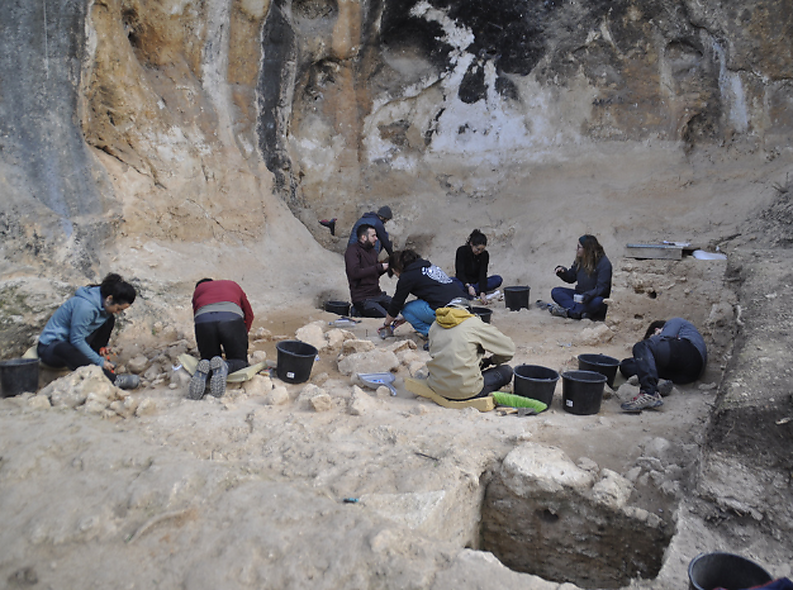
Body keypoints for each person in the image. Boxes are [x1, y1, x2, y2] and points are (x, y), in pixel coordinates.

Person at [37, 273, 140, 389]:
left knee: (108, 320)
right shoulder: (86, 307)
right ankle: (113, 379)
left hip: (71, 341)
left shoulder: (103, 304)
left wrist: (103, 345)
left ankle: (94, 360)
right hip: (51, 348)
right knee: (65, 349)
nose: (118, 312)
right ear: (109, 299)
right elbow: (76, 339)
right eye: (118, 309)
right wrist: (99, 362)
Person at [619, 318, 708, 412]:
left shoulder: (675, 322)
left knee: (641, 346)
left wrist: (654, 339)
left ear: (656, 330)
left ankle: (649, 393)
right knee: (627, 365)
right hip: (685, 375)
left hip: (690, 354)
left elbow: (666, 337)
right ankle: (658, 384)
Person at [427, 306, 515, 400]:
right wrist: (492, 361)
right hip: (468, 391)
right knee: (506, 371)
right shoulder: (473, 323)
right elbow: (509, 350)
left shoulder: (435, 324)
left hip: (438, 387)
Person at [189, 278, 254, 400]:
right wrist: (241, 336)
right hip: (231, 320)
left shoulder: (198, 290)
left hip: (204, 321)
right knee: (240, 361)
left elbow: (197, 317)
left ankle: (205, 369)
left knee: (209, 359)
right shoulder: (232, 284)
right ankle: (225, 366)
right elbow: (249, 314)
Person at [383, 249, 467, 339]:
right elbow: (429, 294)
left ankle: (432, 333)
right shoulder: (428, 266)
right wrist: (406, 318)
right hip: (463, 305)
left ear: (395, 269)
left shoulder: (407, 276)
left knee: (406, 309)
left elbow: (396, 303)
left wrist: (386, 324)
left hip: (447, 310)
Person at [548, 234, 612, 320]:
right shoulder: (580, 260)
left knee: (598, 302)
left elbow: (602, 288)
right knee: (556, 292)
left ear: (587, 249)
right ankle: (579, 312)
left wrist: (589, 295)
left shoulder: (604, 263)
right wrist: (562, 272)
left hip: (593, 297)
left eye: (579, 247)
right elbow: (571, 277)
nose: (576, 249)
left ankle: (570, 311)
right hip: (580, 296)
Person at [344, 223, 392, 317]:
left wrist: (387, 267)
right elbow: (354, 273)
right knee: (385, 316)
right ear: (364, 237)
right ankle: (357, 311)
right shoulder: (352, 251)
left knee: (398, 307)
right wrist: (379, 267)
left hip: (377, 294)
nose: (376, 238)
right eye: (373, 236)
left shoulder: (372, 252)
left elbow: (374, 273)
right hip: (363, 298)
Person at [451, 229, 503, 305]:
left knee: (497, 279)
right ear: (471, 244)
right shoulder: (461, 251)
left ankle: (471, 294)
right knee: (451, 282)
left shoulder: (484, 255)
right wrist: (468, 286)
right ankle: (471, 293)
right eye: (478, 249)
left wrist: (482, 292)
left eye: (482, 250)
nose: (479, 252)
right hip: (463, 283)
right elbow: (460, 272)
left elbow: (483, 274)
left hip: (477, 283)